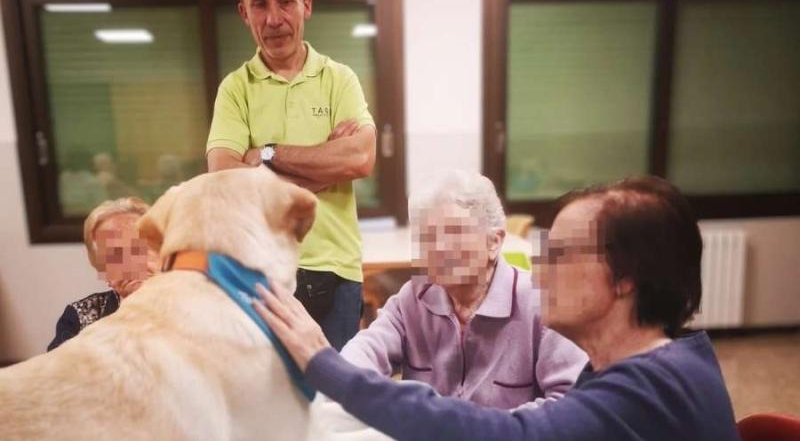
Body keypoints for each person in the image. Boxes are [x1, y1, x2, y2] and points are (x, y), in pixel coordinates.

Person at [254, 175, 740, 441]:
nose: (540, 268)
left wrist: (323, 362)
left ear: (627, 275)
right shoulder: (640, 367)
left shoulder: (653, 387)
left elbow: (510, 435)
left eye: (561, 254)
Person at [206, 0, 376, 351]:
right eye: (259, 4)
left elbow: (360, 157)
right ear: (244, 14)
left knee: (336, 400)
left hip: (338, 269)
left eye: (285, 0)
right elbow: (224, 176)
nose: (274, 18)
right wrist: (322, 166)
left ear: (306, 5)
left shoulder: (340, 79)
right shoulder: (235, 88)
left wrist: (265, 154)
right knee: (270, 401)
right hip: (262, 271)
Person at [339, 169, 586, 408]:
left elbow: (570, 403)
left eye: (454, 232)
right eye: (429, 236)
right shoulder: (413, 299)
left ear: (494, 241)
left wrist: (487, 430)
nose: (440, 247)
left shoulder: (541, 303)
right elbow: (365, 352)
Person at [47, 197, 158, 351]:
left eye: (139, 248)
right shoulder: (79, 317)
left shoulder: (194, 306)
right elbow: (58, 372)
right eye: (115, 254)